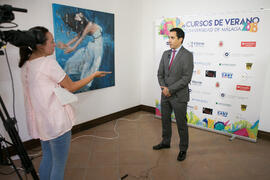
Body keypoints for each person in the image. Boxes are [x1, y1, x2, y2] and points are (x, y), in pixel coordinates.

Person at [19, 26, 110, 180]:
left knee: (48, 157)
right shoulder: (48, 64)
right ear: (40, 46)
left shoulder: (26, 65)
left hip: (42, 123)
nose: (55, 45)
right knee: (59, 164)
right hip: (56, 123)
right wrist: (93, 75)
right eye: (52, 42)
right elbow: (72, 87)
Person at [153, 28, 194, 162]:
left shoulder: (187, 55)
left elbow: (186, 78)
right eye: (169, 37)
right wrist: (164, 88)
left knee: (181, 124)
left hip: (179, 96)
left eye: (172, 38)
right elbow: (160, 74)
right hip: (165, 94)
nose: (169, 40)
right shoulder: (165, 54)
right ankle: (165, 142)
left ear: (180, 39)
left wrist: (170, 89)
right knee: (165, 120)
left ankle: (183, 149)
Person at [57, 12, 103, 88]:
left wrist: (73, 48)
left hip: (96, 46)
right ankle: (83, 82)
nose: (77, 21)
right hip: (94, 46)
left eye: (78, 18)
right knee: (86, 64)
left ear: (82, 17)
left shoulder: (89, 25)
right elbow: (77, 37)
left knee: (91, 65)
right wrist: (66, 45)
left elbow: (81, 38)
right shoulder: (85, 26)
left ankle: (85, 83)